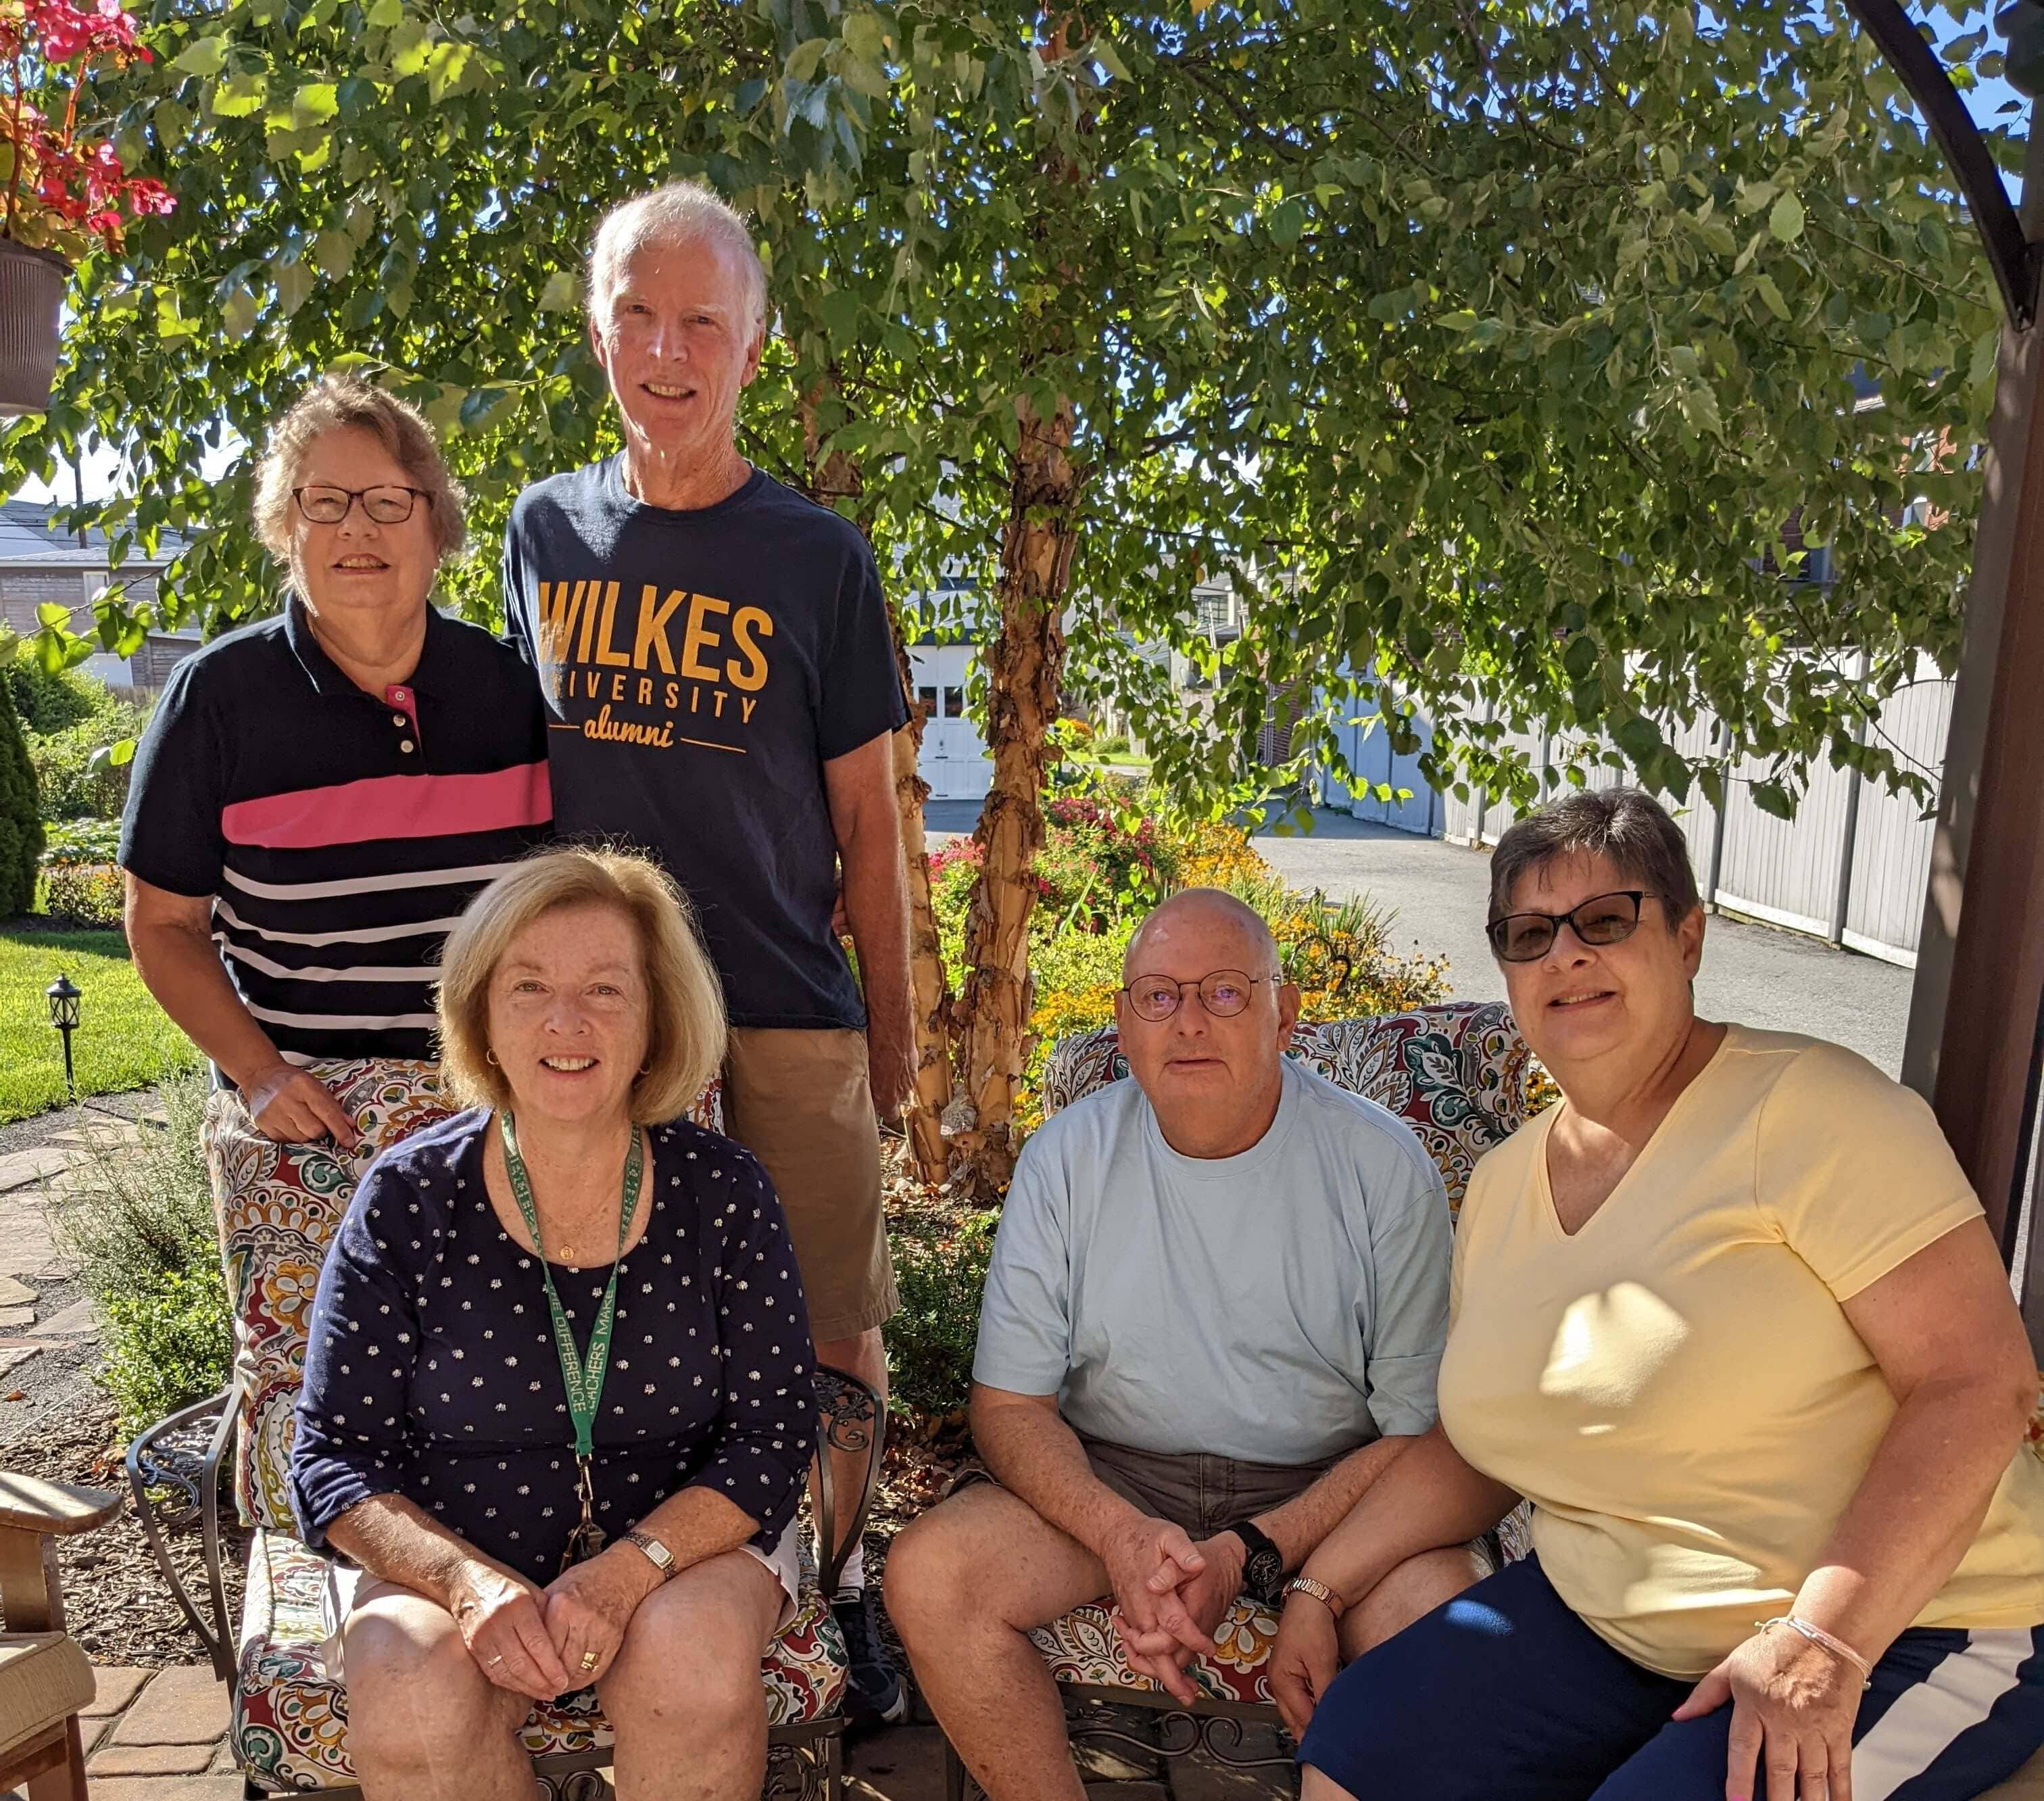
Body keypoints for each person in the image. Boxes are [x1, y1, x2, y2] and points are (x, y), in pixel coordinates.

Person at [1275, 786, 2044, 1801]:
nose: (1565, 955)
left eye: (1604, 920)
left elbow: (1978, 1383)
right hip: (1617, 1628)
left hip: (1908, 1626)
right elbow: (1480, 1446)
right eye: (1529, 934)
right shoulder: (1503, 1184)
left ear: (1687, 938)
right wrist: (1319, 1586)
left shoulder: (1813, 1109)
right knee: (1362, 1742)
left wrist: (1826, 1638)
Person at [498, 178, 912, 1721]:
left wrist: (894, 1035)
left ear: (751, 344)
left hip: (787, 1007)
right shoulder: (543, 530)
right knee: (620, 1326)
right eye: (638, 316)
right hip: (598, 1023)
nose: (667, 350)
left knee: (832, 1324)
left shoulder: (819, 557)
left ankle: (842, 1590)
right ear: (597, 328)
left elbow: (871, 821)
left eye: (701, 322)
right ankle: (642, 1587)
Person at [883, 887, 1480, 1800]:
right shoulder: (1066, 1160)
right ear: (1125, 1025)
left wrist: (1251, 1551)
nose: (1189, 1022)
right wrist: (1122, 1536)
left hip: (1331, 1494)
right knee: (933, 1576)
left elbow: (1419, 1434)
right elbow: (1009, 1407)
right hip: (1117, 1478)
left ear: (1285, 1015)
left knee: (1440, 1620)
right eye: (1159, 996)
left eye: (1225, 992)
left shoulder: (1380, 1166)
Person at [289, 847, 816, 1801]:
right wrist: (463, 1583)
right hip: (449, 1550)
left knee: (688, 1674)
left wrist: (628, 1571)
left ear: (656, 1020)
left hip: (683, 1547)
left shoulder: (724, 1192)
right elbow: (334, 1458)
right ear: (483, 1019)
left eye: (605, 990)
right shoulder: (407, 1198)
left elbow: (773, 1434)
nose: (566, 1022)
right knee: (411, 1697)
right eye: (528, 986)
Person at [119, 374, 550, 1140]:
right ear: (284, 530)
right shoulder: (214, 699)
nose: (357, 528)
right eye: (323, 502)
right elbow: (163, 924)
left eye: (388, 502)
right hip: (312, 1127)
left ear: (437, 528)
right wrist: (260, 1075)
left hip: (502, 1115)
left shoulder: (518, 691)